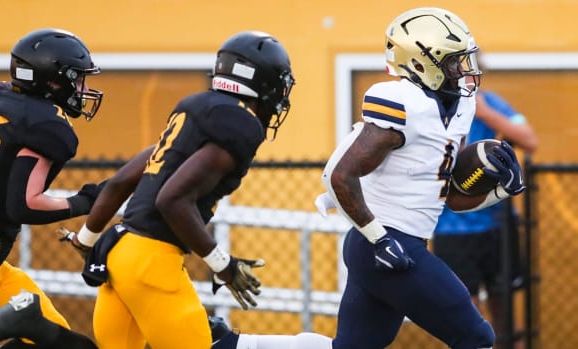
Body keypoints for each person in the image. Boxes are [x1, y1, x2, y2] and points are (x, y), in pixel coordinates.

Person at [207, 7, 528, 349]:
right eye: (453, 62)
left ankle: (231, 345)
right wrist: (379, 239)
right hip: (385, 246)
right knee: (477, 337)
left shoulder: (461, 108)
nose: (462, 70)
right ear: (421, 63)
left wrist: (500, 191)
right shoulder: (403, 102)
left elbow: (447, 195)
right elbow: (338, 175)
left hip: (393, 246)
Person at [60, 30, 295, 349]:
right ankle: (37, 327)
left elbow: (121, 182)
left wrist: (85, 238)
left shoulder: (196, 108)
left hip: (120, 252)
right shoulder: (240, 124)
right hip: (151, 263)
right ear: (263, 81)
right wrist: (222, 264)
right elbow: (172, 199)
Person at [0, 28, 105, 349]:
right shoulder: (46, 124)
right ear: (54, 80)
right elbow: (25, 204)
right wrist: (88, 201)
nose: (84, 88)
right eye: (78, 79)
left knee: (56, 340)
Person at [433, 70, 538, 347]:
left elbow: (530, 140)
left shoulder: (492, 103)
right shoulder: (432, 108)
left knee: (503, 308)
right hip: (452, 230)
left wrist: (485, 113)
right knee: (466, 314)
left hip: (497, 226)